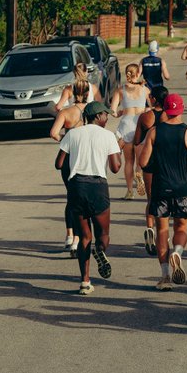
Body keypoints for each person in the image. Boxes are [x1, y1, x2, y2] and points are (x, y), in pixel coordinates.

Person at [138, 93, 187, 290]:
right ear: (182, 109)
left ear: (165, 109)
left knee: (162, 231)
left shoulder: (154, 132)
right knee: (181, 228)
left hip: (161, 186)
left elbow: (143, 162)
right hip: (182, 187)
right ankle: (177, 251)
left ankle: (165, 276)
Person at [55, 101, 122, 295]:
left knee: (84, 237)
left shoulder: (72, 134)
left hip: (77, 187)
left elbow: (59, 164)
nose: (107, 118)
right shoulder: (108, 136)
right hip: (98, 187)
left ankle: (84, 282)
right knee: (103, 236)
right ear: (98, 116)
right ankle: (100, 250)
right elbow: (116, 168)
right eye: (105, 115)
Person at [49, 71, 90, 255]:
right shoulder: (92, 111)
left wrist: (64, 141)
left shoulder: (66, 113)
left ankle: (69, 235)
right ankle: (78, 239)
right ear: (88, 93)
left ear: (73, 93)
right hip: (85, 157)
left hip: (68, 157)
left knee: (71, 196)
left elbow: (53, 132)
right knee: (83, 197)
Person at [134, 85, 168, 256]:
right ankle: (164, 233)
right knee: (165, 199)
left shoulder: (145, 117)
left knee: (151, 199)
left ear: (153, 99)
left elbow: (137, 140)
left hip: (149, 162)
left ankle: (150, 228)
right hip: (166, 162)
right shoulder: (169, 116)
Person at [110, 63, 149, 199]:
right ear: (138, 74)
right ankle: (139, 173)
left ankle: (129, 191)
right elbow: (153, 106)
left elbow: (113, 111)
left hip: (126, 125)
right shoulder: (144, 89)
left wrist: (119, 113)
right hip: (140, 125)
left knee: (128, 161)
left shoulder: (120, 90)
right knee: (140, 161)